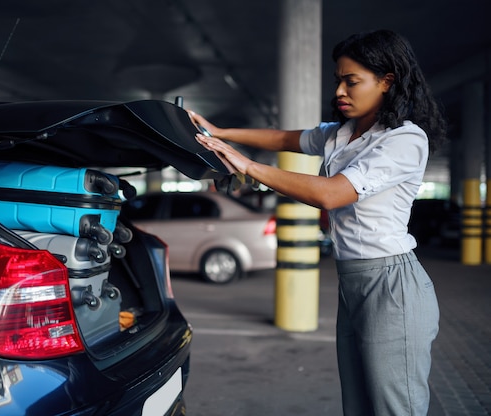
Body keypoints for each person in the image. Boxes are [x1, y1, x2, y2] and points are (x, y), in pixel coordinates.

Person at [189, 29, 447, 416]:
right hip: (352, 282)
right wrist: (220, 133)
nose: (340, 90)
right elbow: (281, 138)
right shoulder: (340, 134)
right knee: (359, 404)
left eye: (352, 81)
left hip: (392, 286)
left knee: (396, 408)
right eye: (338, 79)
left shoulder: (403, 139)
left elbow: (330, 193)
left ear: (386, 81)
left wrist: (247, 165)